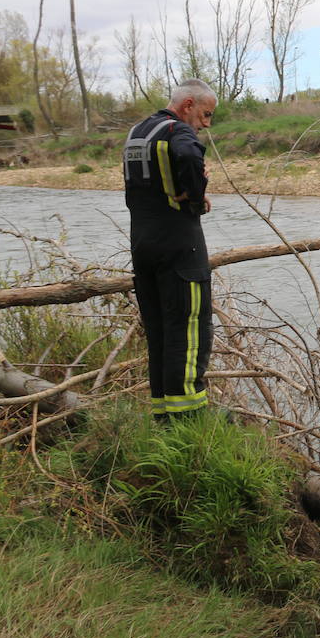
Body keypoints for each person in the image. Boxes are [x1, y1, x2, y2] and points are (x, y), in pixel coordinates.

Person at [123, 78, 217, 423]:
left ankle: (163, 417)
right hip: (181, 250)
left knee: (160, 334)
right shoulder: (178, 131)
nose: (206, 124)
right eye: (205, 115)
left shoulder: (138, 132)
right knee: (189, 331)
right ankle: (188, 422)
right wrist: (195, 194)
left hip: (143, 247)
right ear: (188, 105)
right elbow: (190, 155)